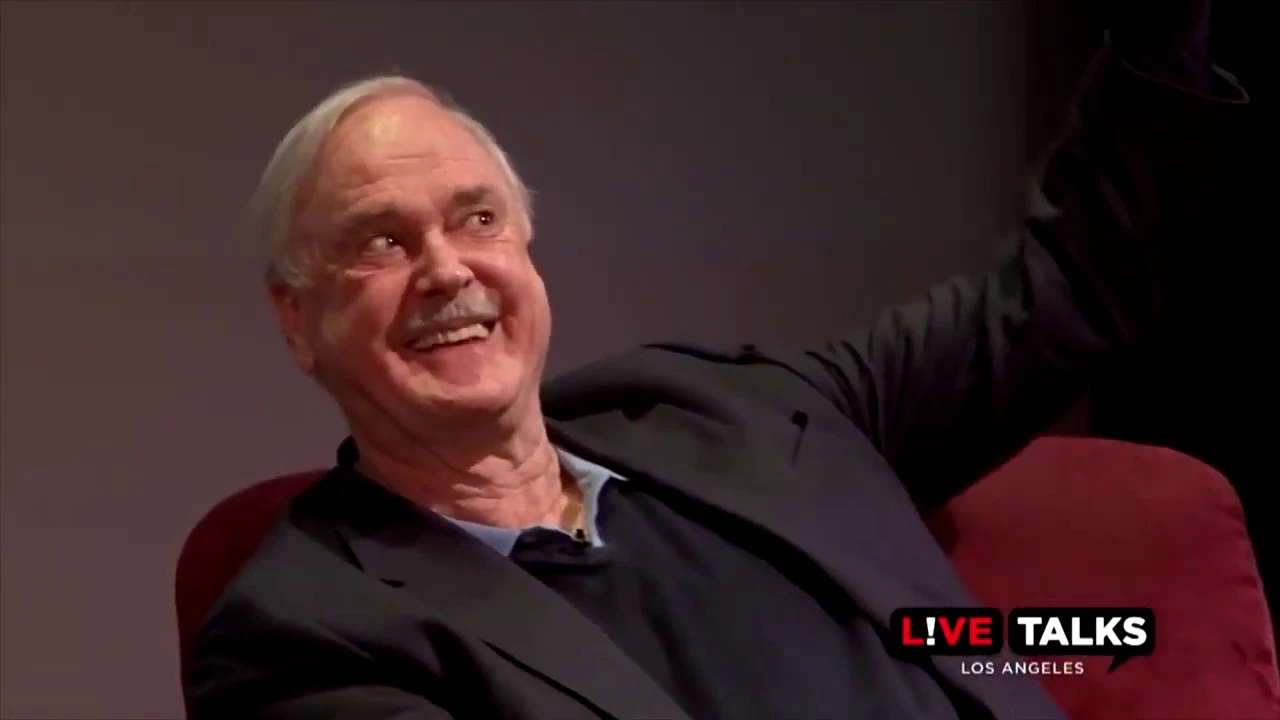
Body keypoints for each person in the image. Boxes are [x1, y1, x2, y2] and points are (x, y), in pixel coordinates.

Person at [183, 1, 1246, 718]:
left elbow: (1061, 293)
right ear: (297, 318)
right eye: (380, 241)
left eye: (478, 219)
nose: (446, 269)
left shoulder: (721, 407)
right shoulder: (302, 637)